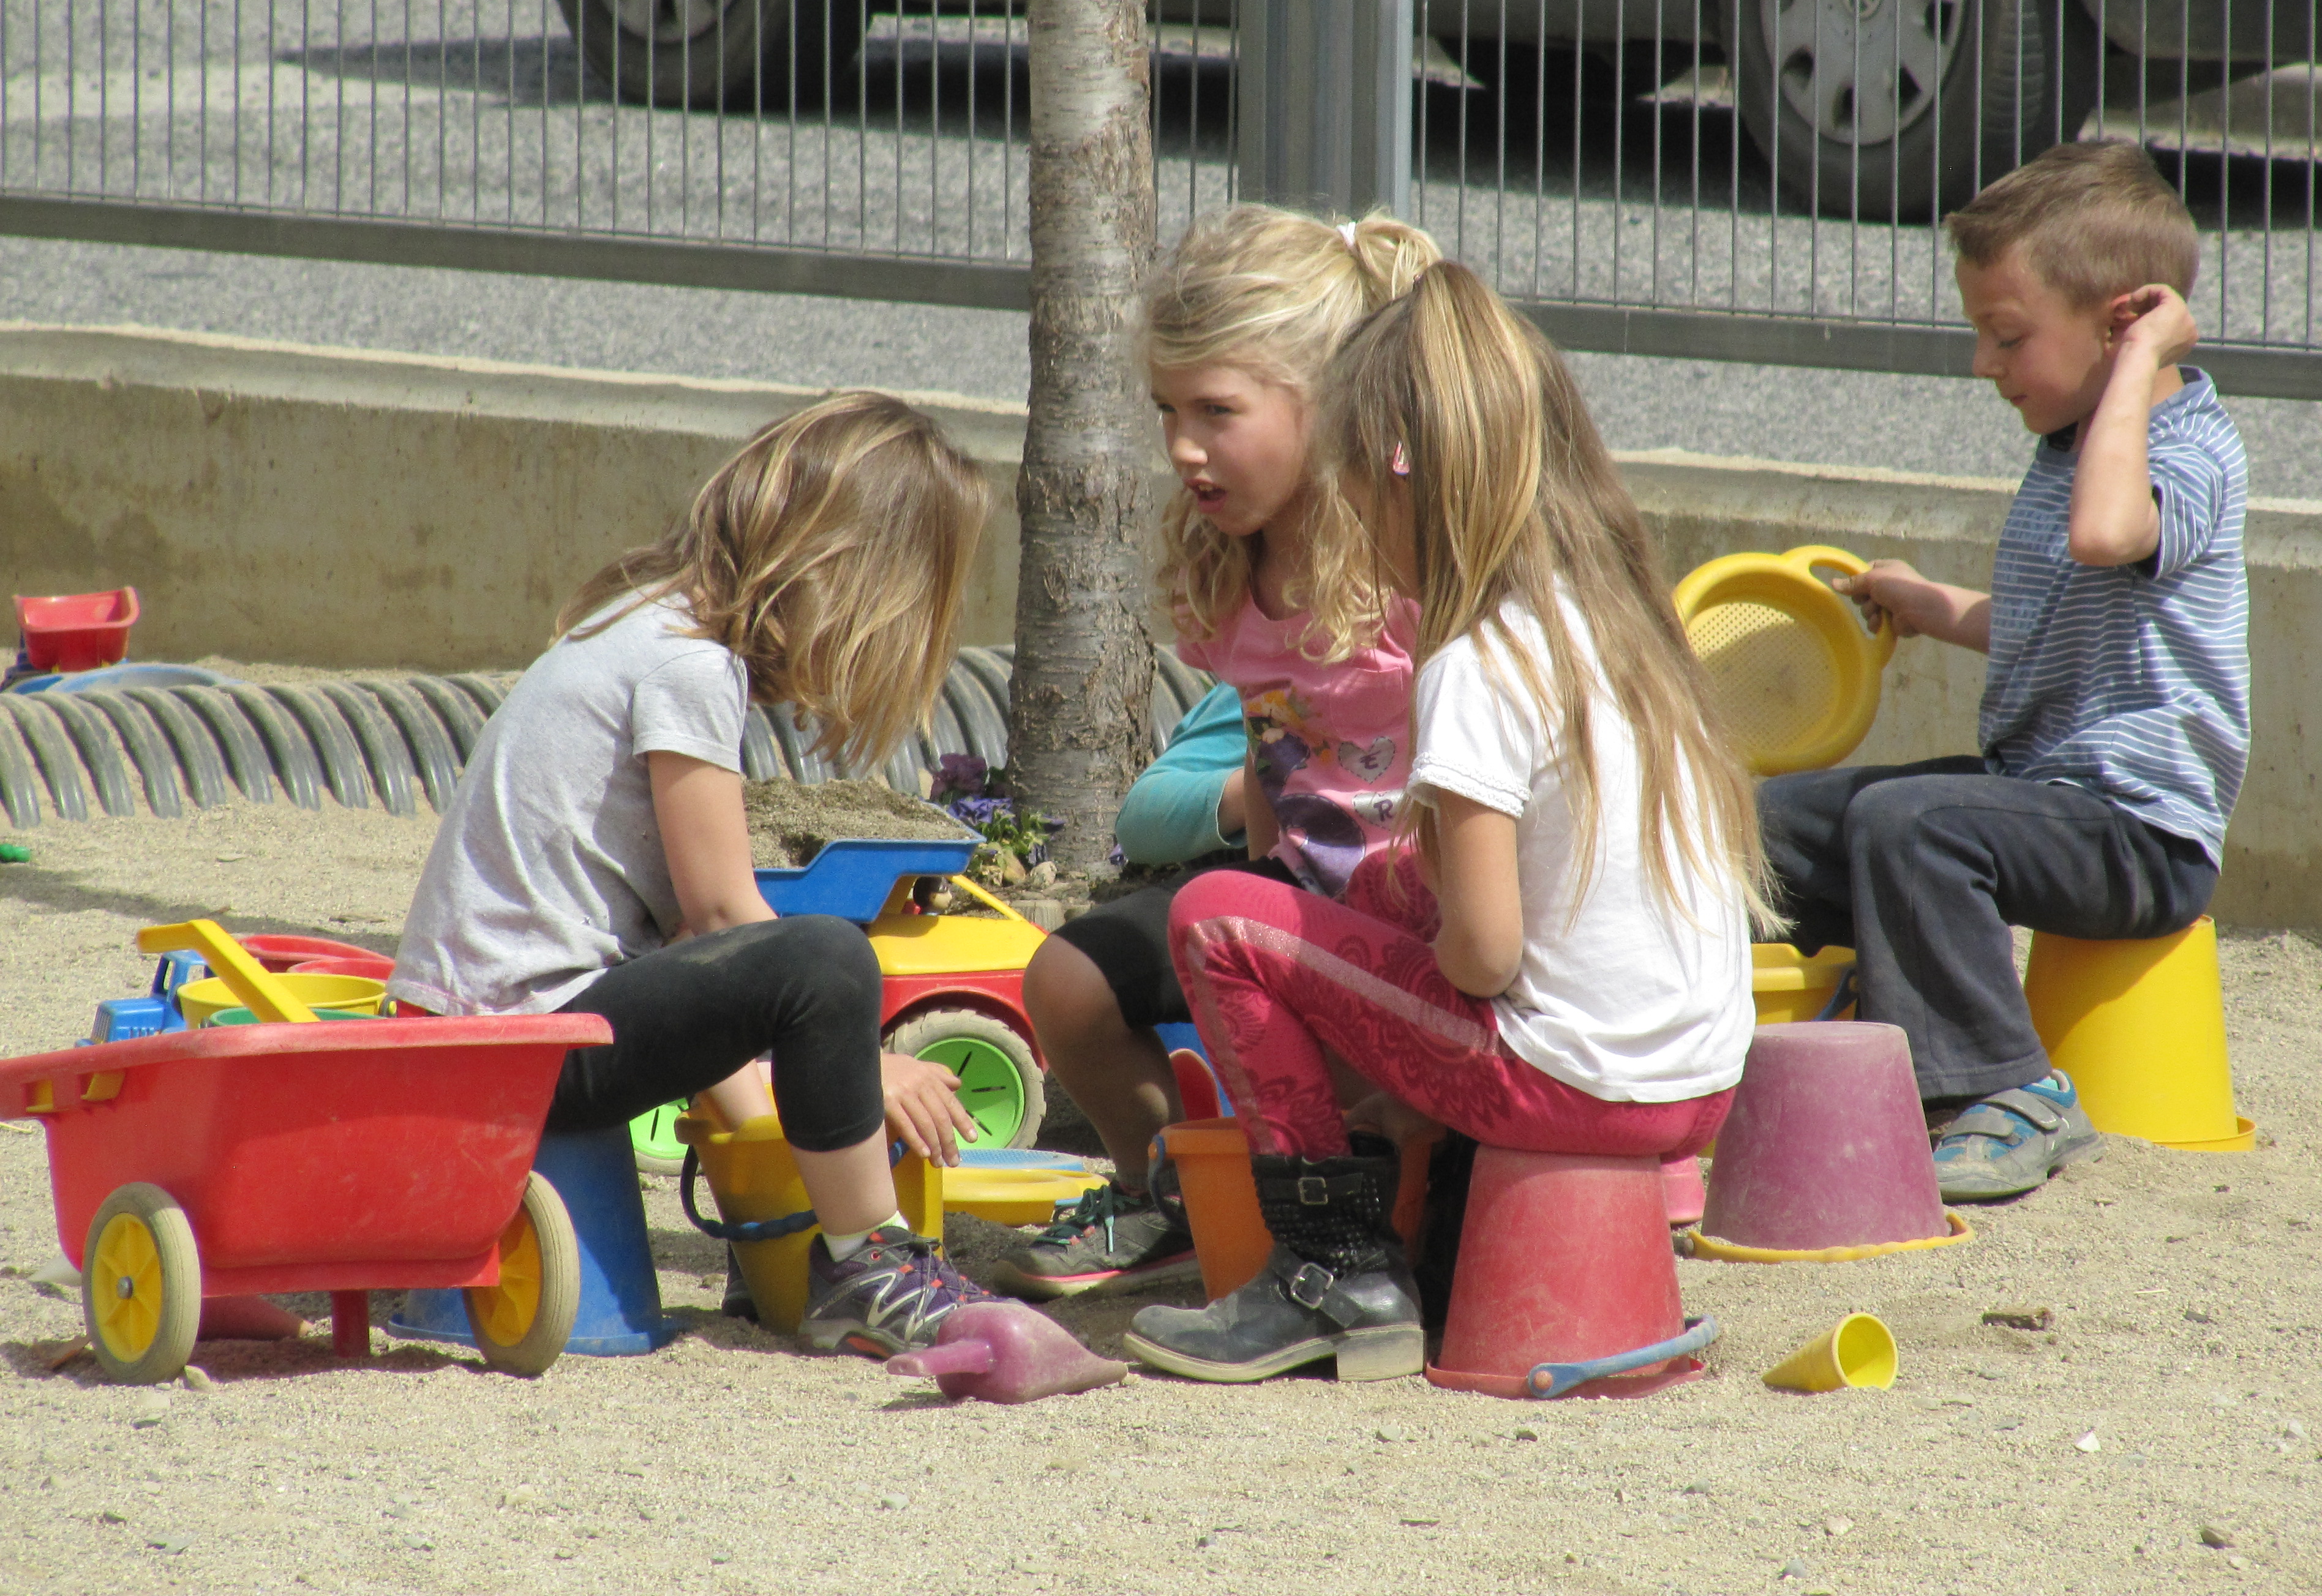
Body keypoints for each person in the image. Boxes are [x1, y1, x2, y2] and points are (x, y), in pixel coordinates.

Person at [1126, 262, 1768, 1384]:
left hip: (1570, 1087)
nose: (1347, 519)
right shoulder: (1619, 625)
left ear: (1402, 477)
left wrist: (1395, 1051)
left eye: (1352, 489)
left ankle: (1330, 1269)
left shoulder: (1474, 663)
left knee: (1220, 915)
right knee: (1378, 891)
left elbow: (1484, 956)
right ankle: (1423, 1218)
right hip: (1701, 1084)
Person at [388, 394, 1005, 1356]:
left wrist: (770, 1151)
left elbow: (694, 951)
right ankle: (871, 1264)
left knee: (779, 966)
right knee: (826, 961)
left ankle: (813, 1246)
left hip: (486, 1031)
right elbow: (723, 918)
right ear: (854, 578)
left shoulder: (643, 622)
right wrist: (861, 1067)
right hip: (519, 1047)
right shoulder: (691, 666)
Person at [1758, 140, 2248, 1202]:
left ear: (2123, 324)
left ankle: (2011, 1092)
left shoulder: (2191, 452)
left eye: (2008, 335)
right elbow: (2056, 619)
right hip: (2040, 798)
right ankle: (1854, 1028)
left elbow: (2105, 538)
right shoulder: (2073, 453)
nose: (1984, 363)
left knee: (1914, 825)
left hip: (2141, 834)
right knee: (1771, 821)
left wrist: (2142, 363)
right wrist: (1931, 605)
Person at [998, 204, 1444, 1299]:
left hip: (1429, 914)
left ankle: (1326, 1227)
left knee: (1367, 1107)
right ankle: (1169, 1194)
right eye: (1168, 411)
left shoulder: (1410, 563)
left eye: (1217, 411)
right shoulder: (1233, 558)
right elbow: (1267, 748)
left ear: (1326, 402)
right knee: (1067, 979)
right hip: (1295, 896)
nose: (1183, 447)